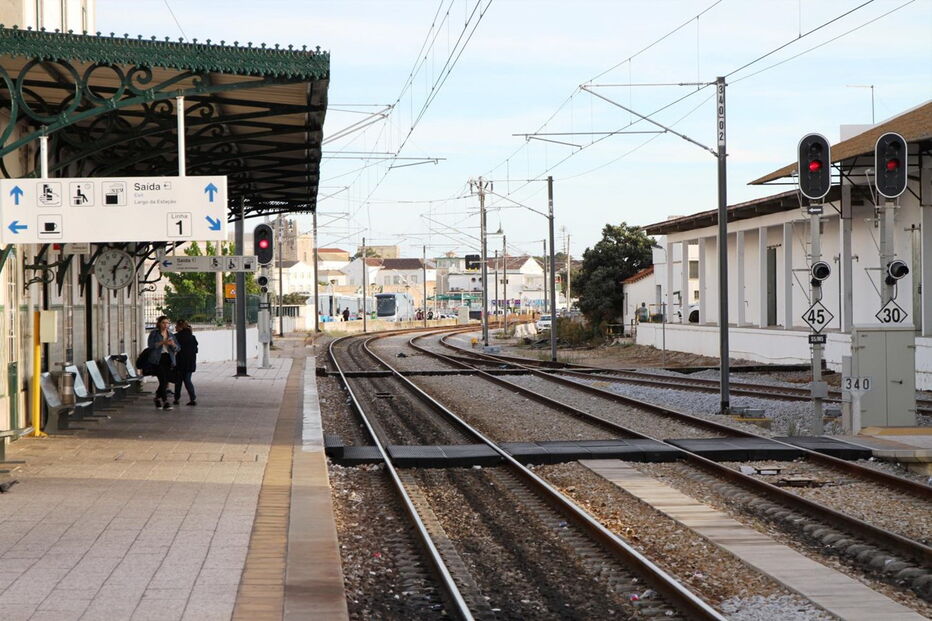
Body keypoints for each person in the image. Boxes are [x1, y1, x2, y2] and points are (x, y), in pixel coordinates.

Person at [147, 316, 180, 410]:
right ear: (159, 323)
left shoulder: (171, 334)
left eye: (167, 323)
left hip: (168, 358)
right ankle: (165, 402)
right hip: (158, 358)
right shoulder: (154, 333)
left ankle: (157, 398)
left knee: (165, 381)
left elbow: (178, 348)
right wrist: (163, 342)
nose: (165, 325)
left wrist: (173, 344)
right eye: (163, 323)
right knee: (163, 380)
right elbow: (151, 345)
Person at [172, 319, 199, 406]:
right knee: (187, 380)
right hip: (190, 362)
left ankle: (176, 399)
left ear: (180, 327)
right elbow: (196, 350)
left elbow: (173, 349)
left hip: (179, 362)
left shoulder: (175, 337)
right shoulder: (192, 337)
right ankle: (192, 398)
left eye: (176, 326)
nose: (175, 327)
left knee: (178, 381)